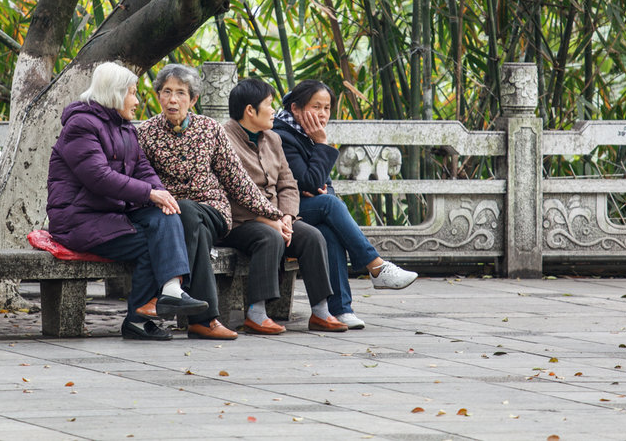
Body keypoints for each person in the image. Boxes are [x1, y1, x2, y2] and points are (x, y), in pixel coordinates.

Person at [138, 65, 315, 337]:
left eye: (181, 93)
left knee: (187, 211)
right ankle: (202, 321)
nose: (173, 100)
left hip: (213, 211)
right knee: (185, 219)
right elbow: (141, 178)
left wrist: (275, 216)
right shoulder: (146, 133)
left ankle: (173, 297)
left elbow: (238, 180)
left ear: (193, 99)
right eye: (167, 92)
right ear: (158, 95)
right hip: (175, 217)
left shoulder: (210, 129)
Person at [46, 62, 209, 341]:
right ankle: (139, 317)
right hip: (78, 220)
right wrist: (148, 194)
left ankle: (169, 291)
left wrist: (162, 196)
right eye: (132, 93)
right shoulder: (81, 125)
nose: (136, 101)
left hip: (109, 215)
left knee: (166, 215)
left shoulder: (125, 128)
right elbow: (99, 177)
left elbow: (143, 169)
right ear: (115, 94)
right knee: (150, 244)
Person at [273, 79, 418, 329]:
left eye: (327, 108)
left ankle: (340, 310)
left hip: (304, 210)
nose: (322, 114)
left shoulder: (306, 134)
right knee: (329, 205)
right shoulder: (283, 136)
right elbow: (308, 182)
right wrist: (321, 145)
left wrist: (317, 184)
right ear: (295, 109)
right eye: (316, 106)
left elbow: (322, 184)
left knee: (329, 230)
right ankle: (376, 267)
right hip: (280, 213)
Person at [221, 78, 349, 334]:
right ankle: (256, 313)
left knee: (312, 236)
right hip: (241, 220)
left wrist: (288, 217)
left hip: (277, 217)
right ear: (250, 110)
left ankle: (321, 311)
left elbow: (288, 184)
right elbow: (234, 190)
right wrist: (270, 219)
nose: (274, 111)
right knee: (270, 238)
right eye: (268, 105)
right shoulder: (225, 139)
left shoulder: (272, 139)